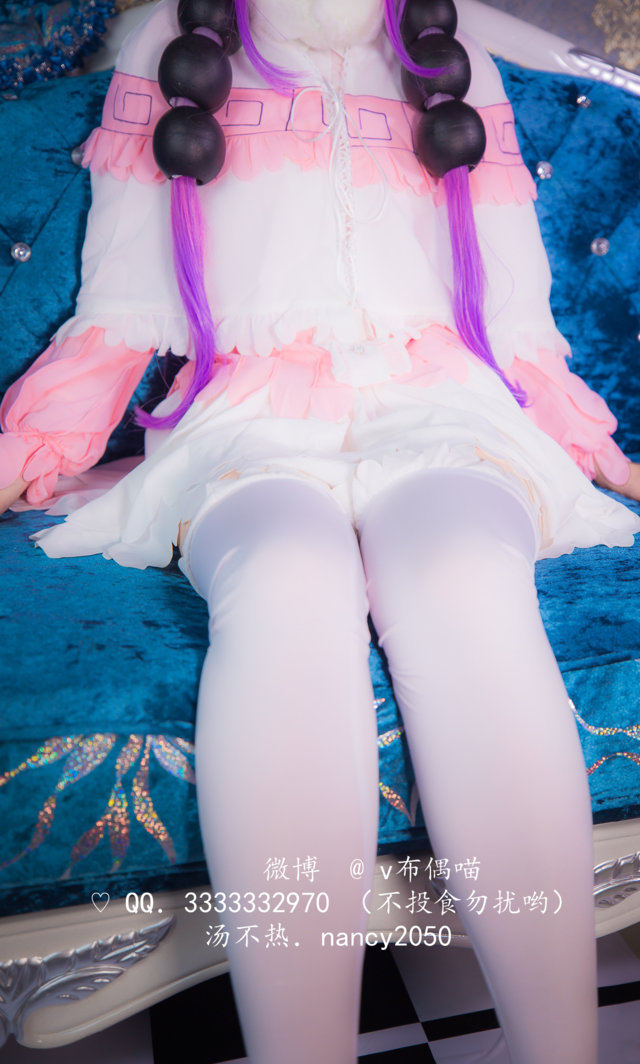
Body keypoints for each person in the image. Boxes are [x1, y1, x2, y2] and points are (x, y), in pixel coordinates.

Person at [2, 1, 639, 1060]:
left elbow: (519, 323)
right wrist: (30, 451)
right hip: (250, 418)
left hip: (443, 407)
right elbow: (118, 311)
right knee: (285, 583)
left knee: (465, 578)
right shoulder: (172, 46)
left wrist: (599, 452)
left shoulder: (454, 56)